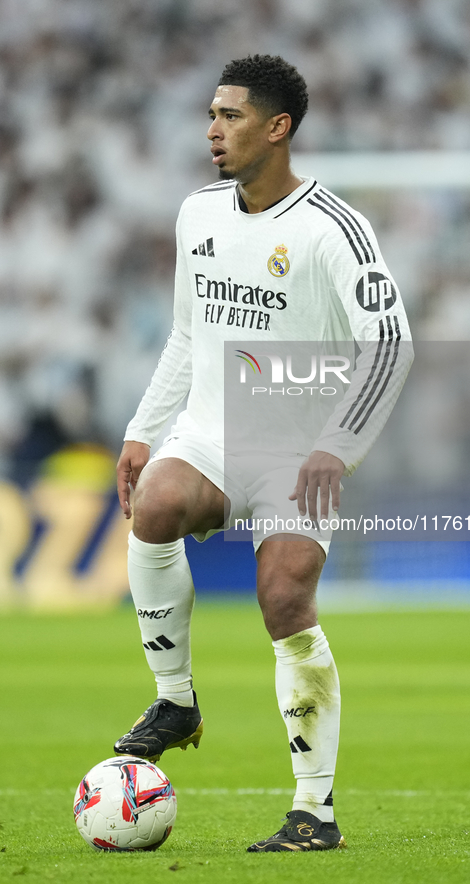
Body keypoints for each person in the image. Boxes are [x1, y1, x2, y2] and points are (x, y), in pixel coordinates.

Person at [113, 54, 413, 852]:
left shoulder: (333, 230)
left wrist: (335, 446)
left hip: (294, 444)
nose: (213, 129)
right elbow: (185, 331)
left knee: (283, 597)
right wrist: (143, 429)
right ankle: (174, 700)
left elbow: (390, 342)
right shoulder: (198, 213)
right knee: (155, 508)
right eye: (210, 114)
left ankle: (312, 810)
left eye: (231, 116)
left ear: (277, 128)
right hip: (211, 429)